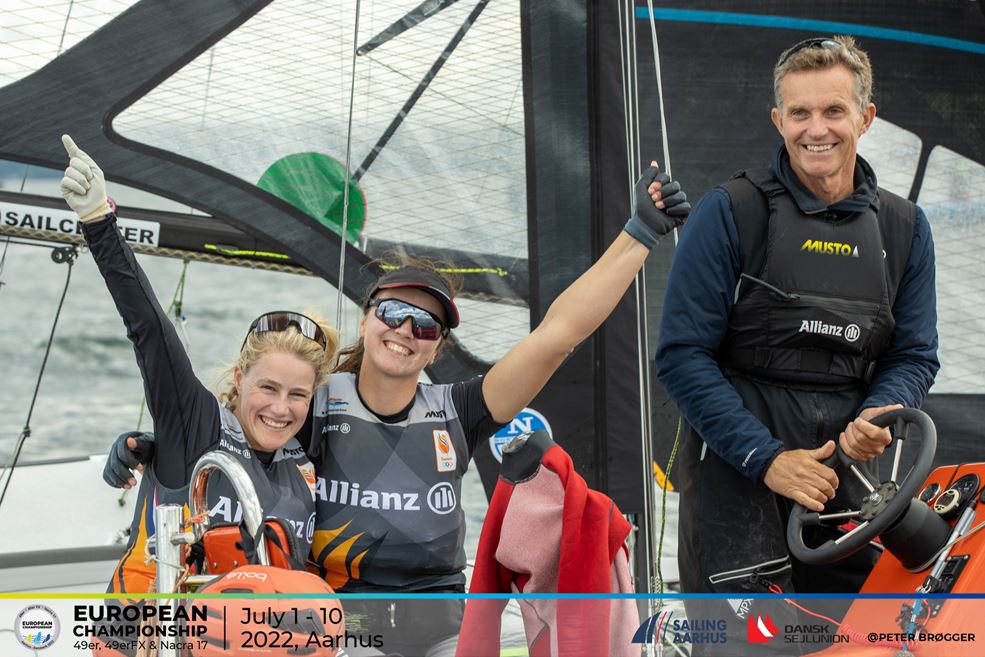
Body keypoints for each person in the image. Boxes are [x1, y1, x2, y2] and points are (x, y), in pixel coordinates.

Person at [106, 159, 691, 656]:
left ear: (438, 344)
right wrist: (154, 453)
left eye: (427, 324)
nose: (406, 330)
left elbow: (557, 335)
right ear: (365, 318)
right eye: (392, 313)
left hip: (440, 629)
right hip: (337, 627)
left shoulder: (459, 409)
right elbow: (231, 428)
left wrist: (639, 232)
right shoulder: (313, 401)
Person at [655, 36, 938, 654]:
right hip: (738, 479)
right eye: (800, 113)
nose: (817, 130)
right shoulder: (729, 210)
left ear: (866, 117)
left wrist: (881, 412)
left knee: (864, 644)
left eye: (833, 111)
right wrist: (768, 459)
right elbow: (679, 354)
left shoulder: (906, 228)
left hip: (854, 486)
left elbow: (914, 354)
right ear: (778, 119)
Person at [59, 135, 339, 602]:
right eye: (268, 387)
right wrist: (98, 222)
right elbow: (149, 330)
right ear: (238, 379)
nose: (280, 408)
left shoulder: (305, 463)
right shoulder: (197, 426)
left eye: (298, 396)